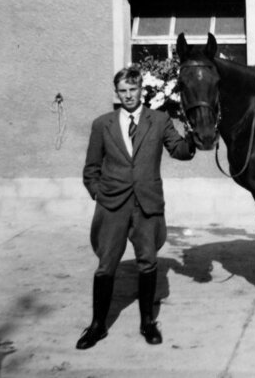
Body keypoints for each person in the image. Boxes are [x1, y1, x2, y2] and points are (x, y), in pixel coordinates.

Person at [77, 66, 195, 350]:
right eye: (123, 91)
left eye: (133, 90)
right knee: (106, 266)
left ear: (141, 90)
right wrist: (100, 195)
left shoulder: (159, 120)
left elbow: (179, 150)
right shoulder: (102, 124)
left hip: (147, 203)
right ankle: (97, 325)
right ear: (116, 93)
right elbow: (90, 169)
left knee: (148, 262)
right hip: (112, 205)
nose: (129, 96)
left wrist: (191, 135)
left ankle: (147, 322)